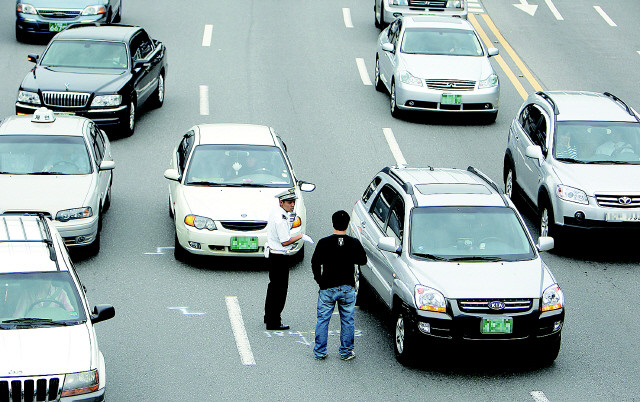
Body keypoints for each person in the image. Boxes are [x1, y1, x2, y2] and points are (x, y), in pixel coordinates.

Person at [311, 210, 367, 361]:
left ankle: (320, 351)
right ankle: (346, 352)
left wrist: (319, 280)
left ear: (333, 223)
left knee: (323, 320)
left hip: (327, 286)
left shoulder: (324, 242)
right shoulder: (354, 243)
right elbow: (363, 260)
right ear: (347, 224)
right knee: (347, 320)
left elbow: (315, 262)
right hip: (347, 287)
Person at [263, 188, 313, 330]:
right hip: (280, 256)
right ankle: (274, 321)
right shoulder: (281, 218)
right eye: (289, 202)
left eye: (293, 202)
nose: (292, 205)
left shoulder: (278, 212)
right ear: (281, 202)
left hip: (274, 255)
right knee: (280, 290)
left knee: (273, 287)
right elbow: (285, 241)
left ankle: (269, 316)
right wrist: (301, 236)